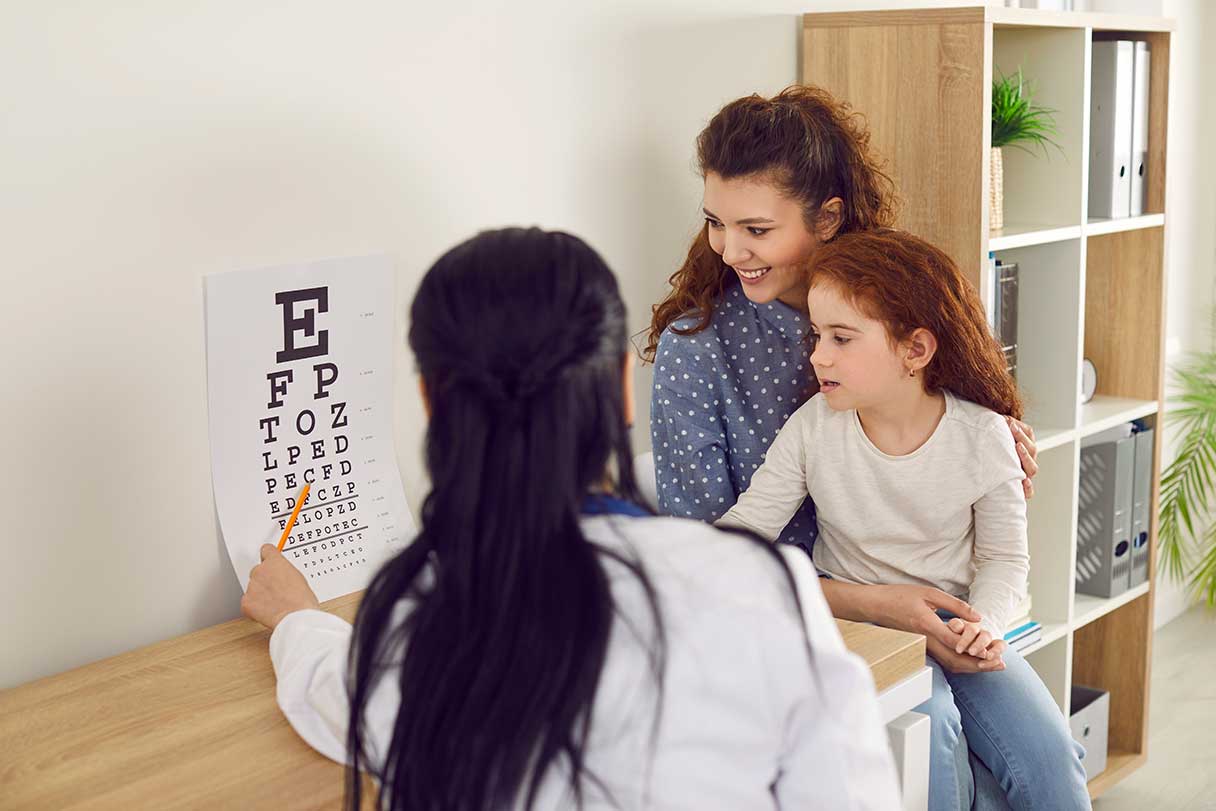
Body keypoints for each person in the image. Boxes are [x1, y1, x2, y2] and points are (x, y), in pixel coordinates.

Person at [241, 227, 899, 811]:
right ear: (620, 388)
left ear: (431, 401)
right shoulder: (760, 591)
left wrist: (294, 615)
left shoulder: (416, 623)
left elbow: (339, 694)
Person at [645, 87, 1041, 808]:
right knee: (936, 741)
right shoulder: (697, 351)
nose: (731, 250)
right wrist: (877, 603)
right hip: (792, 619)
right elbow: (703, 561)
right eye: (716, 224)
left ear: (827, 216)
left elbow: (966, 451)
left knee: (1043, 762)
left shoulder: (893, 310)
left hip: (941, 599)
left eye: (756, 228)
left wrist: (996, 455)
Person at [716, 229, 1090, 810]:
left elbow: (1003, 559)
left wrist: (983, 627)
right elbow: (741, 538)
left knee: (1052, 759)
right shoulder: (814, 429)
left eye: (841, 338)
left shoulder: (984, 437)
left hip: (962, 631)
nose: (818, 355)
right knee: (933, 734)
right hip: (868, 633)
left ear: (914, 351)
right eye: (817, 335)